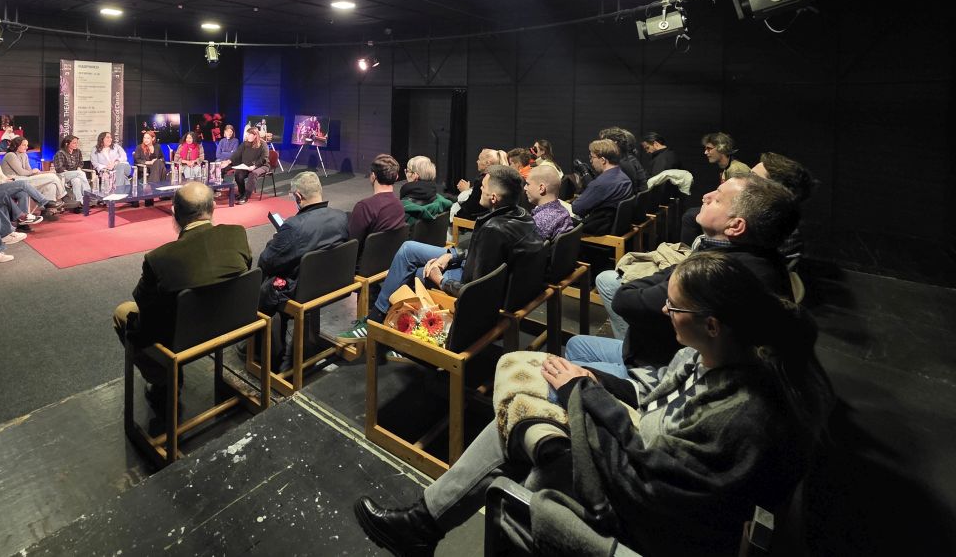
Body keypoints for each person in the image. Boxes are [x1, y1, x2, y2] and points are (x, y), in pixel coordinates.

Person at [353, 251, 833, 557]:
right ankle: (519, 453)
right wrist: (590, 381)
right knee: (523, 363)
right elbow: (651, 398)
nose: (664, 312)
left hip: (638, 501)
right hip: (638, 442)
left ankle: (445, 508)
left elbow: (649, 487)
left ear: (712, 324)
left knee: (517, 413)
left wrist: (584, 398)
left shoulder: (739, 416)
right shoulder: (706, 355)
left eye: (674, 307)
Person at [571, 173, 798, 379]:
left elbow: (624, 300)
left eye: (718, 199)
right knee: (576, 344)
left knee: (557, 376)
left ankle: (631, 379)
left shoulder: (720, 273)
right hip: (666, 351)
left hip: (665, 369)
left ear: (735, 226)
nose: (706, 196)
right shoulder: (758, 256)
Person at [339, 165, 542, 341]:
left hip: (465, 280)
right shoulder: (520, 215)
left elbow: (476, 289)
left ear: (494, 197)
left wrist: (441, 280)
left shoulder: (494, 230)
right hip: (468, 263)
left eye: (483, 187)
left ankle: (382, 323)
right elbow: (479, 250)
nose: (479, 188)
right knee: (408, 249)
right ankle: (382, 317)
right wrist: (452, 254)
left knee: (414, 273)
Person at [111, 181, 251, 411]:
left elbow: (144, 305)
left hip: (182, 336)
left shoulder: (160, 258)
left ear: (174, 212)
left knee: (122, 312)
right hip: (231, 322)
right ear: (213, 207)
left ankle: (163, 381)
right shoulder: (237, 235)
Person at [257, 171, 348, 368]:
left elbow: (266, 261)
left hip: (301, 289)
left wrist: (278, 240)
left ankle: (264, 352)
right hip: (333, 281)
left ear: (298, 196)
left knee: (265, 283)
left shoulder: (293, 226)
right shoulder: (342, 217)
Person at [0, 135, 54, 222]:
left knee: (22, 193)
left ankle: (22, 222)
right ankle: (45, 202)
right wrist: (1, 181)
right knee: (22, 183)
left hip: (0, 184)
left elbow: (1, 174)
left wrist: (7, 180)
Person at [569, 139, 633, 234]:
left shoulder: (601, 183)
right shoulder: (624, 177)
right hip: (616, 226)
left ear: (603, 160)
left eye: (592, 157)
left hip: (601, 230)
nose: (591, 161)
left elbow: (577, 209)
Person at [348, 154, 406, 250]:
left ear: (373, 176)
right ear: (396, 177)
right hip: (391, 256)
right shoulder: (400, 205)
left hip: (365, 258)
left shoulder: (364, 207)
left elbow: (352, 244)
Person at [0, 137, 64, 204]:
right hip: (14, 182)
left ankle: (49, 207)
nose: (26, 147)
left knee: (51, 185)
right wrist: (33, 171)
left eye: (27, 145)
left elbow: (29, 171)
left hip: (25, 179)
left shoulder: (24, 155)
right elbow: (22, 172)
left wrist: (44, 172)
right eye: (24, 145)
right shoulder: (10, 155)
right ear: (16, 145)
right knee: (52, 177)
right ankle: (63, 197)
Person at [451, 148, 506, 222]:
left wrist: (465, 192)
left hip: (479, 220)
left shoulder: (483, 180)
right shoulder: (501, 177)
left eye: (479, 159)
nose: (477, 161)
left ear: (487, 163)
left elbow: (470, 208)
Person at [219, 126, 270, 204]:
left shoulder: (263, 144)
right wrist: (228, 161)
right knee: (238, 173)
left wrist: (255, 166)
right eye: (247, 134)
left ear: (255, 135)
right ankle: (242, 193)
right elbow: (237, 153)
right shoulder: (245, 143)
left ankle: (246, 196)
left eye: (249, 134)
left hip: (262, 165)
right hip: (247, 165)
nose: (247, 136)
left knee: (253, 174)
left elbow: (264, 158)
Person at [525, 163, 575, 240]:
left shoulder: (539, 222)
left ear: (541, 188)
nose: (525, 188)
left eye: (527, 184)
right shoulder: (563, 211)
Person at [598, 126, 648, 190]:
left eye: (603, 142)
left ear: (615, 143)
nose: (600, 145)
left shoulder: (621, 164)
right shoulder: (627, 160)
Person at [51, 134, 90, 211]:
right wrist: (73, 172)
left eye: (77, 143)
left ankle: (79, 203)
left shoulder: (77, 151)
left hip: (75, 175)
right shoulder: (60, 153)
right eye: (74, 143)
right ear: (67, 144)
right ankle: (88, 194)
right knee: (80, 173)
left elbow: (80, 163)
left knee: (76, 181)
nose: (76, 144)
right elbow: (59, 168)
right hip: (63, 175)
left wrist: (78, 168)